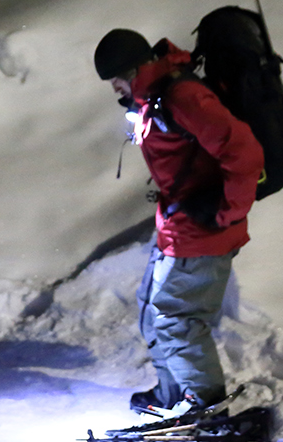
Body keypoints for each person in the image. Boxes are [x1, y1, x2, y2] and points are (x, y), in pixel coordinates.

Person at [93, 28, 263, 416]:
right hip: (178, 226)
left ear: (135, 69)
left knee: (178, 320)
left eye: (117, 79)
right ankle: (174, 392)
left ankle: (205, 409)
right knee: (154, 310)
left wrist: (228, 211)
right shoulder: (152, 97)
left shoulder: (183, 96)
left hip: (204, 232)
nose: (115, 88)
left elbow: (245, 151)